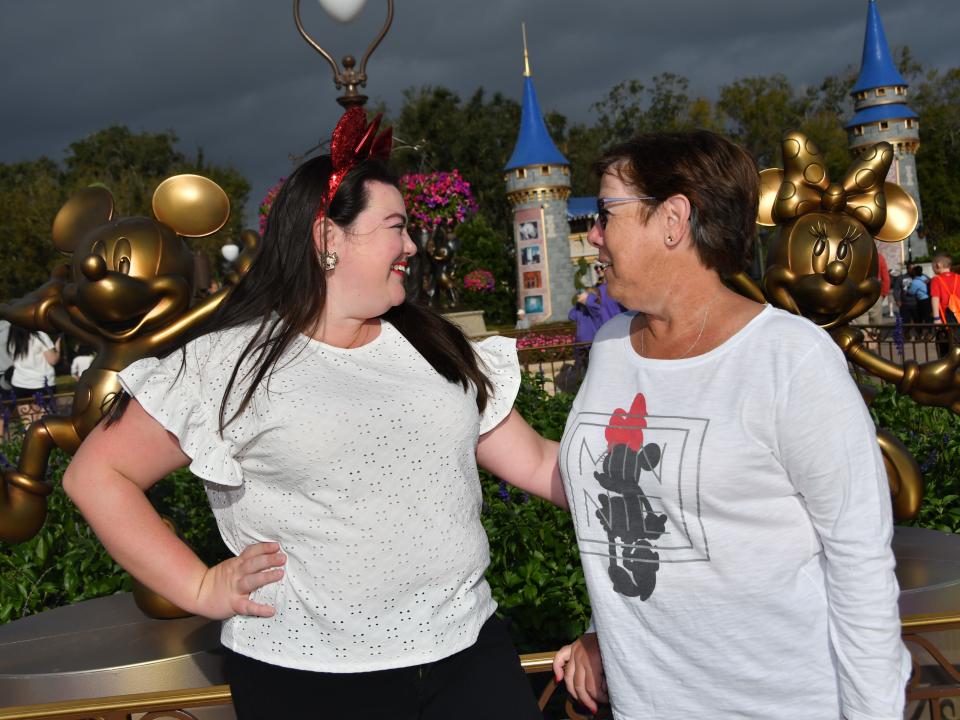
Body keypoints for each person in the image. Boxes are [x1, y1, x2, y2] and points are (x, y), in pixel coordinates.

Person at [62, 110, 564, 720]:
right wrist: (199, 586)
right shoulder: (230, 363)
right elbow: (96, 476)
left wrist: (658, 483)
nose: (411, 245)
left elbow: (538, 463)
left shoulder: (436, 344)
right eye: (395, 227)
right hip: (308, 680)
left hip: (468, 656)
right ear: (328, 239)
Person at [551, 130, 908, 719]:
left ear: (672, 218)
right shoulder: (614, 345)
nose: (592, 234)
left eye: (605, 212)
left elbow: (859, 561)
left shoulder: (789, 358)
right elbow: (628, 506)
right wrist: (601, 631)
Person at [6, 325, 59, 423]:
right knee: (44, 421)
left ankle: (26, 437)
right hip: (41, 383)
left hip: (20, 384)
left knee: (27, 421)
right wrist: (58, 348)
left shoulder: (12, 339)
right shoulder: (40, 336)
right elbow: (52, 360)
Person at [930, 252, 959, 357]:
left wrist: (936, 318)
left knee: (945, 351)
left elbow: (935, 298)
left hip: (944, 321)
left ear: (938, 265)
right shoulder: (958, 278)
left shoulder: (936, 280)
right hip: (958, 319)